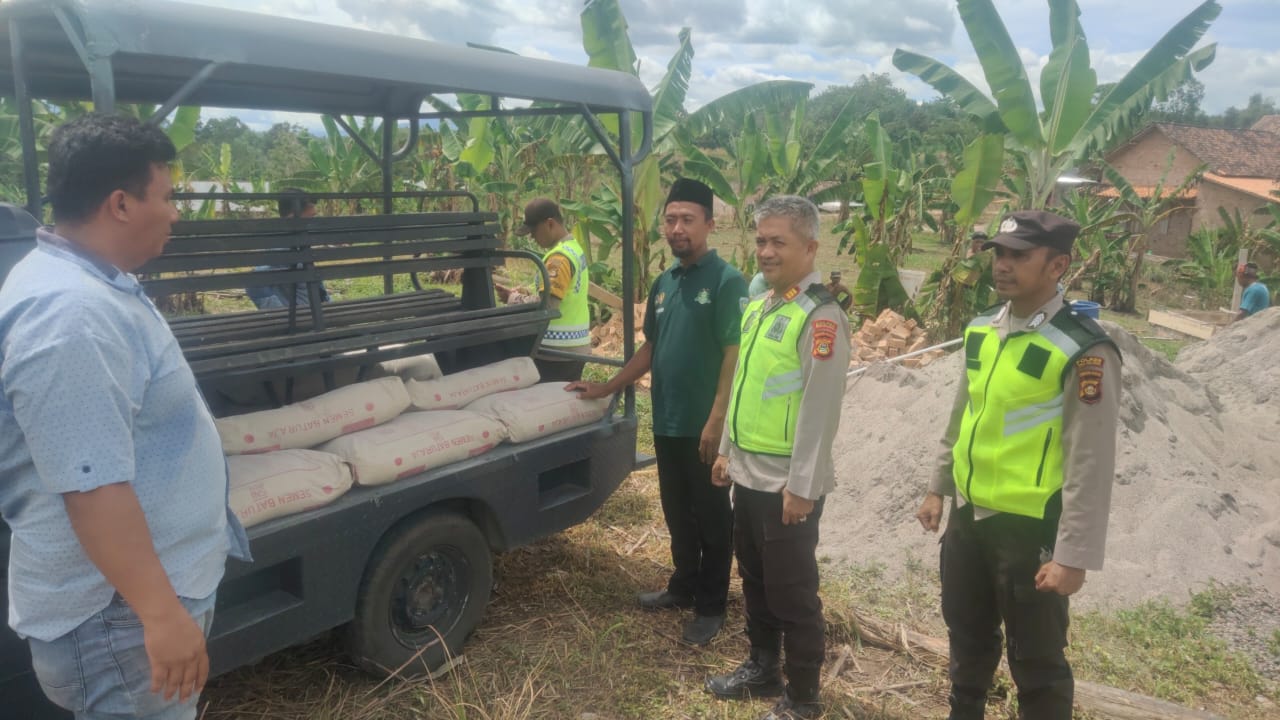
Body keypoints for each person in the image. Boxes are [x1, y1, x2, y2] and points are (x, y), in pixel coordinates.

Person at [0, 113, 251, 719]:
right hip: (117, 618)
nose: (175, 211)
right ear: (119, 204)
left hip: (128, 607)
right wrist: (161, 615)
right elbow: (92, 487)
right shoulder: (71, 315)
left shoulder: (95, 285)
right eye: (165, 196)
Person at [915, 210, 1121, 720]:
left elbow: (1090, 459)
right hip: (970, 519)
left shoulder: (1083, 348)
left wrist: (1074, 554)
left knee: (1037, 659)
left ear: (1058, 265)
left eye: (1019, 256)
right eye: (999, 253)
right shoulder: (983, 330)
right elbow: (962, 415)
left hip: (1031, 531)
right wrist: (938, 486)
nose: (1003, 265)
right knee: (966, 638)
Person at [568, 178, 748, 645]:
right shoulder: (665, 282)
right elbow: (653, 346)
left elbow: (734, 353)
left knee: (712, 518)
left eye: (687, 219)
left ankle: (711, 607)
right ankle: (683, 587)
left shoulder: (728, 281)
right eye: (670, 219)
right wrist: (607, 386)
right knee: (676, 512)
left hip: (704, 427)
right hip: (667, 420)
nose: (677, 228)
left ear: (709, 224)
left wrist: (716, 420)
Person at [705, 196, 850, 720]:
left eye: (778, 242)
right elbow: (746, 388)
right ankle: (762, 667)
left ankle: (804, 697)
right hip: (749, 474)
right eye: (761, 240)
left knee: (793, 592)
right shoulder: (764, 304)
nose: (765, 251)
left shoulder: (820, 318)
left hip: (787, 484)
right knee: (756, 579)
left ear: (810, 247)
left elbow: (819, 408)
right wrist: (726, 453)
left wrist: (802, 488)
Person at [514, 198, 592, 382]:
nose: (532, 237)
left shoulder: (559, 258)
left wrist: (514, 299)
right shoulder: (573, 248)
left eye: (534, 231)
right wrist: (526, 292)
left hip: (557, 352)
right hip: (573, 347)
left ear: (550, 224)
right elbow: (561, 292)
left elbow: (547, 306)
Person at [245, 188, 330, 309]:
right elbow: (254, 281)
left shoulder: (297, 240)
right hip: (307, 312)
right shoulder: (281, 246)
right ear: (292, 217)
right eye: (311, 217)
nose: (313, 221)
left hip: (312, 311)